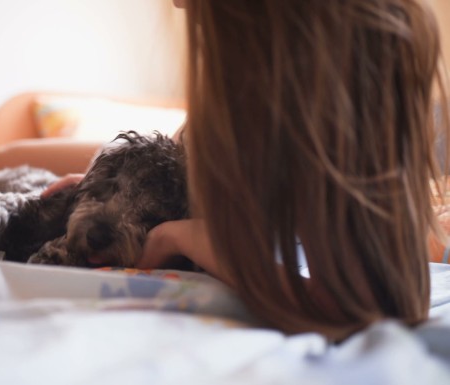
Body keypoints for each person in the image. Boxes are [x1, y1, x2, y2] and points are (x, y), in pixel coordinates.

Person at [43, 0, 449, 341]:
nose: (174, 3)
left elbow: (363, 307)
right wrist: (111, 188)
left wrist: (179, 235)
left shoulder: (332, 61)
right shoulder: (252, 60)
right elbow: (191, 162)